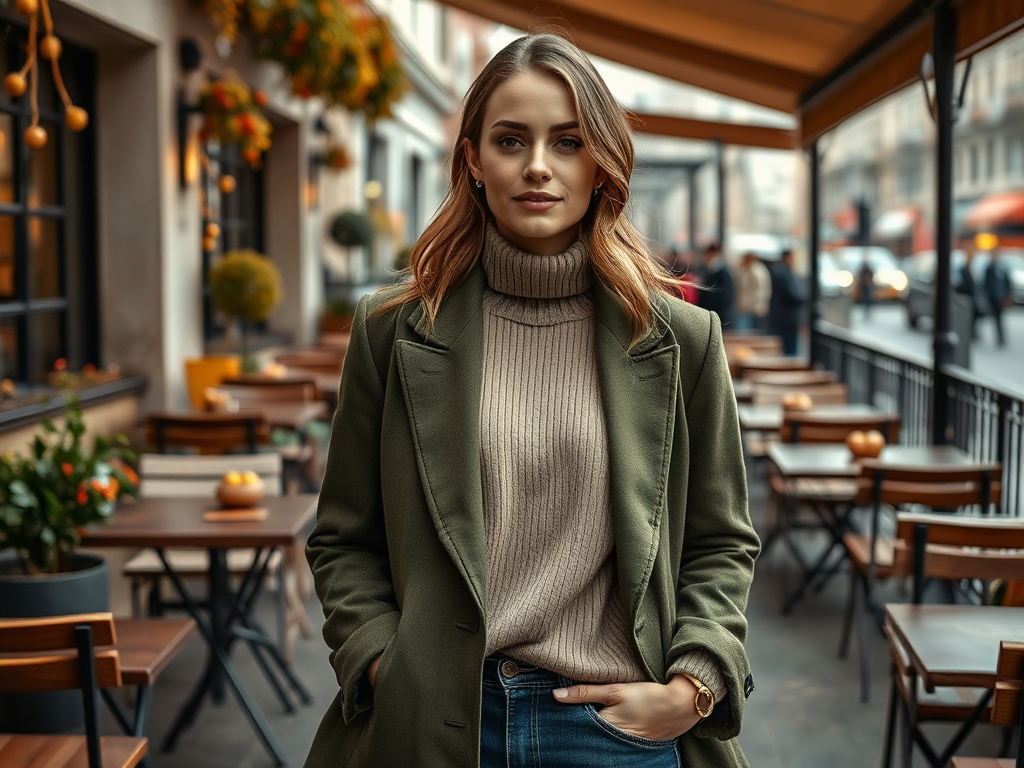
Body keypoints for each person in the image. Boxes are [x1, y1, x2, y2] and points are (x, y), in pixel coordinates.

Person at [304, 32, 759, 768]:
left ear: (601, 163)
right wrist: (384, 663)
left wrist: (694, 683)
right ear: (474, 162)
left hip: (617, 726)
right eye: (511, 140)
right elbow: (343, 538)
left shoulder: (681, 340)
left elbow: (719, 540)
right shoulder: (391, 331)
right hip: (438, 721)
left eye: (569, 141)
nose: (539, 167)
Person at [768, 249, 806, 356]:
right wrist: (804, 299)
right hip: (787, 317)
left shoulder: (781, 272)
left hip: (783, 316)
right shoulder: (784, 274)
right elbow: (791, 295)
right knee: (790, 348)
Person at [696, 242, 734, 327]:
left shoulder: (723, 272)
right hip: (710, 313)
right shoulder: (708, 270)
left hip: (720, 314)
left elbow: (724, 294)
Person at [733, 252, 772, 331]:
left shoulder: (758, 271)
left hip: (754, 308)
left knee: (753, 332)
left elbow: (762, 290)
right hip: (743, 307)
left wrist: (760, 305)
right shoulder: (743, 270)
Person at [984, 248, 1012, 346]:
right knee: (995, 318)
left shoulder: (1003, 268)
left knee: (1000, 318)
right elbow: (986, 284)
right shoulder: (989, 268)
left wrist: (1007, 295)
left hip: (1001, 297)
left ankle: (1001, 337)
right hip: (992, 298)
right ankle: (999, 336)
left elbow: (1008, 283)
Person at [955, 251, 980, 341]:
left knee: (973, 317)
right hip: (966, 297)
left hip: (972, 297)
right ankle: (969, 332)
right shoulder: (963, 270)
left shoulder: (973, 269)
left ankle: (972, 332)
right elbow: (960, 284)